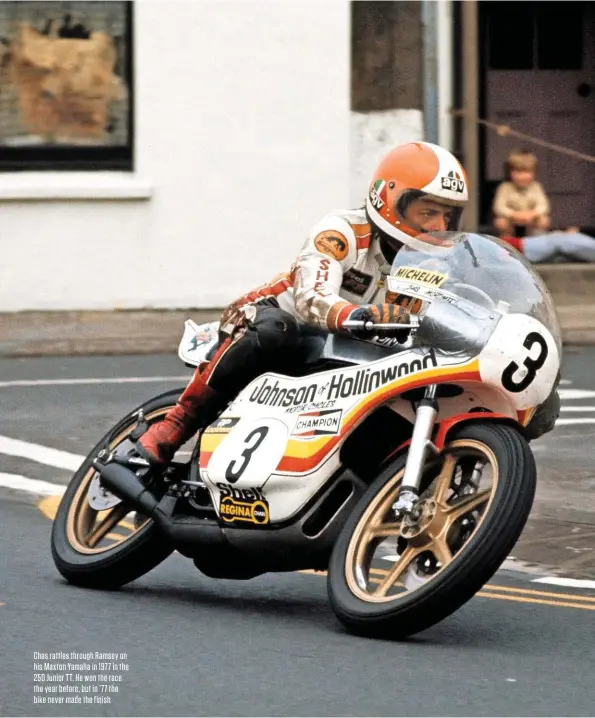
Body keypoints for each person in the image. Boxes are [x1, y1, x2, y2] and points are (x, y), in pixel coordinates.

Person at [134, 142, 471, 468]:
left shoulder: (431, 267)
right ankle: (176, 424)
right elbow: (312, 299)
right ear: (388, 199)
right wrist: (360, 315)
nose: (438, 227)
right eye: (427, 211)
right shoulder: (343, 231)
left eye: (447, 215)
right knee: (278, 329)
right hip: (268, 319)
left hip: (343, 350)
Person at [492, 149, 551, 238]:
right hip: (512, 220)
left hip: (530, 219)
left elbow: (543, 206)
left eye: (527, 172)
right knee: (501, 222)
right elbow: (499, 207)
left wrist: (532, 214)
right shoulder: (505, 187)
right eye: (519, 172)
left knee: (544, 220)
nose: (523, 176)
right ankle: (508, 243)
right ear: (510, 172)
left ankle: (536, 242)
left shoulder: (536, 187)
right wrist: (515, 215)